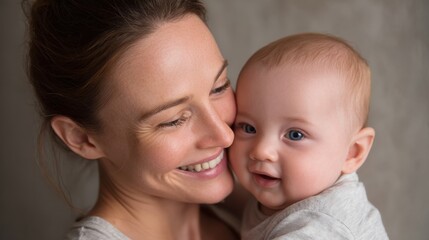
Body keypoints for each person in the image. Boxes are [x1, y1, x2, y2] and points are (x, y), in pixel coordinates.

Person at [23, 0, 242, 239]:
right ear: (82, 138)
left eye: (219, 88)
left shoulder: (258, 215)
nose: (224, 135)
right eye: (173, 120)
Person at [229, 33, 389, 239]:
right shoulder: (287, 194)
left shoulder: (322, 225)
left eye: (295, 135)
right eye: (248, 128)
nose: (261, 150)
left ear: (352, 152)